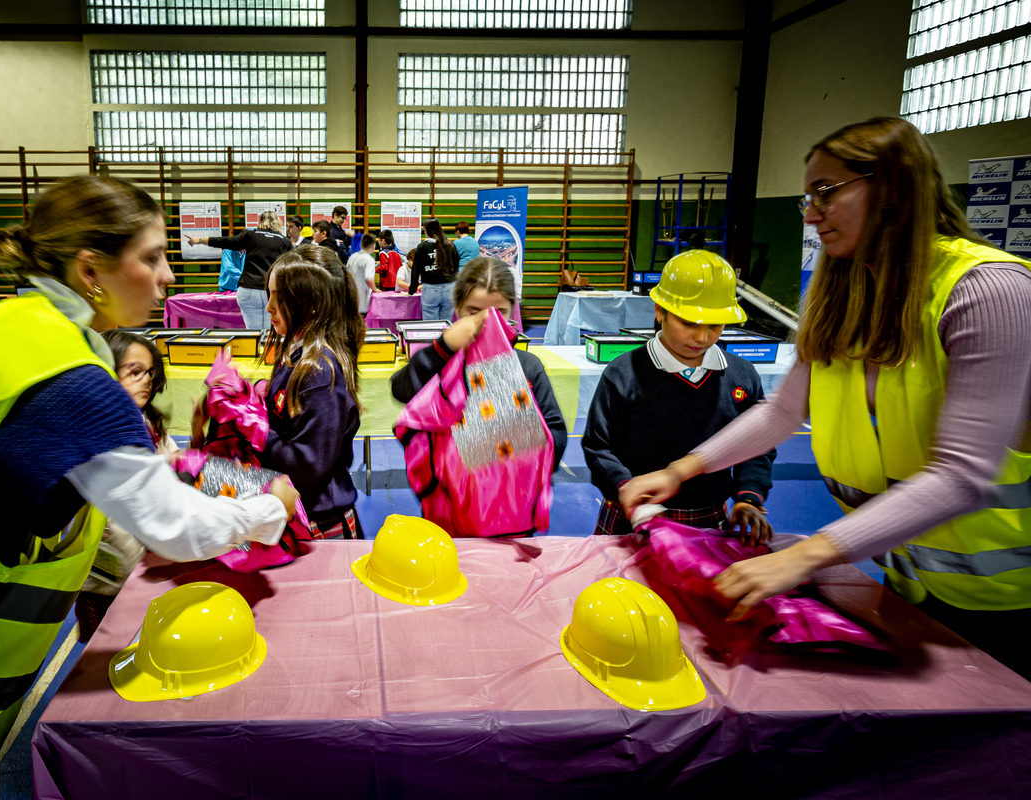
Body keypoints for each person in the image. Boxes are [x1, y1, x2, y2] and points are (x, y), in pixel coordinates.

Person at [0, 176, 299, 792]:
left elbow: (120, 471)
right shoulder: (73, 383)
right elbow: (177, 528)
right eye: (152, 257)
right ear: (90, 268)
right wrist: (271, 505)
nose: (166, 277)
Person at [622, 117, 1031, 677]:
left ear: (892, 186)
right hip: (913, 577)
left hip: (1012, 600)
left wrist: (806, 555)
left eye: (826, 193)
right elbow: (785, 411)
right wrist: (681, 470)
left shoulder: (989, 291)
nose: (811, 213)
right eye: (807, 198)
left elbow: (964, 473)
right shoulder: (847, 295)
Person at [582, 250, 774, 544]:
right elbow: (598, 445)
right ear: (660, 310)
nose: (702, 337)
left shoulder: (742, 376)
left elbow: (756, 444)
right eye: (689, 323)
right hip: (632, 515)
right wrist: (625, 487)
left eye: (714, 325)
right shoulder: (623, 374)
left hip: (707, 516)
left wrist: (750, 495)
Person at [392, 257, 567, 472]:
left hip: (513, 492)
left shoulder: (527, 366)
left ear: (513, 310)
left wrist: (507, 446)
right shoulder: (444, 360)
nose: (486, 322)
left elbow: (556, 436)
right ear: (457, 307)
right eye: (474, 313)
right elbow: (400, 390)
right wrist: (444, 346)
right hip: (453, 493)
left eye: (499, 312)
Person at [73, 329, 179, 643]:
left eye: (149, 373)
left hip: (145, 567)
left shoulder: (147, 420)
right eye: (134, 372)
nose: (146, 379)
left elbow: (168, 463)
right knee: (107, 648)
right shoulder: (95, 429)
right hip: (109, 580)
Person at [259, 253, 363, 539]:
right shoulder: (297, 353)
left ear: (311, 304)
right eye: (269, 295)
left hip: (320, 522)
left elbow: (307, 467)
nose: (268, 307)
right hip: (301, 514)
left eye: (279, 298)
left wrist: (255, 429)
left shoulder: (319, 371)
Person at [187, 209, 292, 330]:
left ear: (261, 221)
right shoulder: (285, 241)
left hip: (248, 290)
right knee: (271, 332)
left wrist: (199, 240)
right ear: (278, 222)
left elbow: (226, 241)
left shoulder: (252, 235)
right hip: (271, 292)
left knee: (253, 333)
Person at [408, 217, 460, 320]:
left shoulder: (422, 247)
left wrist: (412, 289)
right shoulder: (449, 245)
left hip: (430, 288)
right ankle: (445, 337)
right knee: (446, 322)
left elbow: (415, 270)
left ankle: (432, 337)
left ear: (426, 231)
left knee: (430, 325)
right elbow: (456, 266)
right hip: (449, 287)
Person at [346, 233, 378, 315]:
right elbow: (369, 278)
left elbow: (346, 274)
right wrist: (375, 289)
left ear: (361, 245)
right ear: (373, 246)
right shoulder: (369, 259)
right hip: (363, 300)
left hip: (351, 297)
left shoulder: (352, 257)